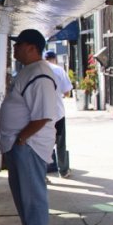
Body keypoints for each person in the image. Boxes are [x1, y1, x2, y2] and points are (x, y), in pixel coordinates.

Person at [0, 29, 59, 225]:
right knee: (23, 192)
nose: (14, 48)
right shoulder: (29, 71)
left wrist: (22, 138)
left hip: (29, 145)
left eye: (18, 44)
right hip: (20, 144)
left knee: (32, 193)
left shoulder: (40, 74)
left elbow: (42, 115)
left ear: (32, 47)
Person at [44, 50, 72, 178]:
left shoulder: (37, 69)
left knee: (43, 142)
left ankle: (43, 173)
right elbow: (67, 93)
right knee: (60, 142)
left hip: (41, 114)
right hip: (58, 113)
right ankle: (63, 170)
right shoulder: (59, 70)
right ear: (54, 59)